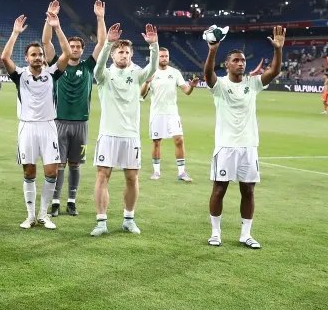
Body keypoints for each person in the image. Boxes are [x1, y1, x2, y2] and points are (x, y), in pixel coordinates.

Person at [202, 25, 286, 250]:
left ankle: (245, 234)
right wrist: (213, 50)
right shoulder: (220, 85)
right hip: (226, 146)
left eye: (243, 60)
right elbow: (208, 75)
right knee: (219, 189)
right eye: (236, 60)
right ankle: (215, 233)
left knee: (248, 191)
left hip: (249, 146)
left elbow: (274, 72)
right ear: (227, 64)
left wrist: (278, 49)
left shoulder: (253, 83)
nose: (241, 63)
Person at [1, 13, 72, 230]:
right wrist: (15, 33)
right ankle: (30, 215)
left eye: (40, 54)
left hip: (48, 126)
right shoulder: (20, 75)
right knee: (29, 172)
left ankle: (43, 214)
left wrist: (57, 27)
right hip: (27, 127)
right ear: (26, 58)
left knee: (52, 171)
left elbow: (67, 53)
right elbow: (4, 58)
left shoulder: (52, 74)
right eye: (33, 55)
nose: (38, 57)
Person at [90, 18, 159, 237]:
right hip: (108, 134)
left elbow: (153, 68)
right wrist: (108, 43)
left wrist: (154, 45)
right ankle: (101, 222)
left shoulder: (137, 73)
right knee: (103, 176)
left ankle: (129, 219)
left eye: (127, 52)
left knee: (132, 177)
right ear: (113, 55)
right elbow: (97, 68)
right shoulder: (105, 75)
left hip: (130, 135)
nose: (124, 55)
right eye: (120, 52)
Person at [42, 0, 103, 217]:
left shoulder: (88, 67)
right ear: (67, 48)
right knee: (59, 164)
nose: (75, 49)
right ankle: (55, 202)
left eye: (78, 47)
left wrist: (100, 18)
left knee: (75, 165)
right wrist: (50, 19)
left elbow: (102, 43)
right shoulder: (57, 66)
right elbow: (46, 42)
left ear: (82, 50)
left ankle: (71, 202)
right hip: (59, 122)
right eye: (72, 46)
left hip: (81, 124)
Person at [141, 47, 198, 182]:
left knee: (179, 140)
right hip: (157, 113)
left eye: (166, 56)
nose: (164, 58)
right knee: (156, 142)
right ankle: (156, 171)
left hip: (172, 113)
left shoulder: (175, 72)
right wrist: (147, 82)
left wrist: (192, 86)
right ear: (157, 58)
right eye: (161, 56)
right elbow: (142, 94)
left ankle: (181, 173)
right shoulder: (151, 72)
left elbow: (186, 91)